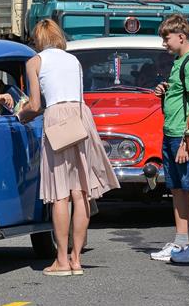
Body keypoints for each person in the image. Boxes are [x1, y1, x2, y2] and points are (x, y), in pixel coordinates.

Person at [18, 19, 120, 276]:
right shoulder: (72, 60)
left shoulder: (35, 61)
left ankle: (61, 260)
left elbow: (35, 104)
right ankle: (77, 259)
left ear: (38, 40)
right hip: (81, 116)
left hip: (56, 118)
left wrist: (20, 115)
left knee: (59, 193)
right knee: (80, 191)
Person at [149, 14, 189, 264]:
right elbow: (180, 97)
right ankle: (181, 241)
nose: (164, 43)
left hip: (185, 136)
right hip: (171, 132)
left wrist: (187, 140)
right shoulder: (179, 61)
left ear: (181, 36)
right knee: (177, 188)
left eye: (167, 38)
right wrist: (165, 92)